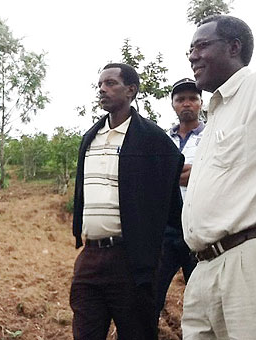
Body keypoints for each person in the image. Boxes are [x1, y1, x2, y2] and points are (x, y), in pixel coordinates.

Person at [182, 14, 256, 340]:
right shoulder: (216, 113)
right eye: (189, 50)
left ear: (234, 47)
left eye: (202, 46)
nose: (192, 56)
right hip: (204, 270)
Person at [70, 63, 183, 340]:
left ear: (131, 90)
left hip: (131, 261)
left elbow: (169, 201)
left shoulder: (153, 140)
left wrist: (151, 251)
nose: (102, 90)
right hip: (90, 257)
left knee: (136, 332)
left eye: (110, 83)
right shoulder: (91, 138)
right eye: (100, 84)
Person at [155, 78, 203, 319]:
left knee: (201, 296)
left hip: (200, 227)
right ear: (173, 104)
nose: (187, 104)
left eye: (192, 99)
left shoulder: (214, 137)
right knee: (151, 293)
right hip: (166, 229)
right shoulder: (161, 140)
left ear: (201, 103)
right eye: (180, 99)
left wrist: (200, 172)